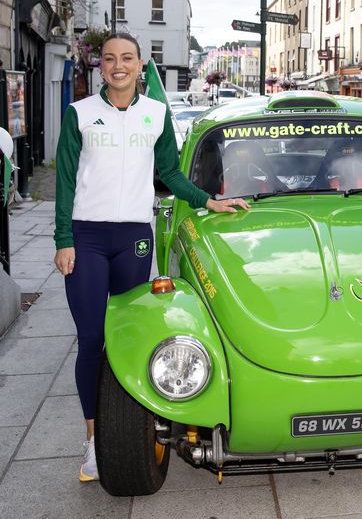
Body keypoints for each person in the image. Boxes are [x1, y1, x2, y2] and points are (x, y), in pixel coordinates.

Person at [53, 32, 249, 482]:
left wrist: (208, 201)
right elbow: (64, 179)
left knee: (130, 338)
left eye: (127, 58)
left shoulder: (156, 114)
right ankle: (94, 440)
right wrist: (63, 238)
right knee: (90, 339)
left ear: (141, 65)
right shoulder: (79, 113)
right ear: (99, 66)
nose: (118, 65)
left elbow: (170, 174)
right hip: (86, 237)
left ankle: (131, 426)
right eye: (109, 59)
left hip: (134, 238)